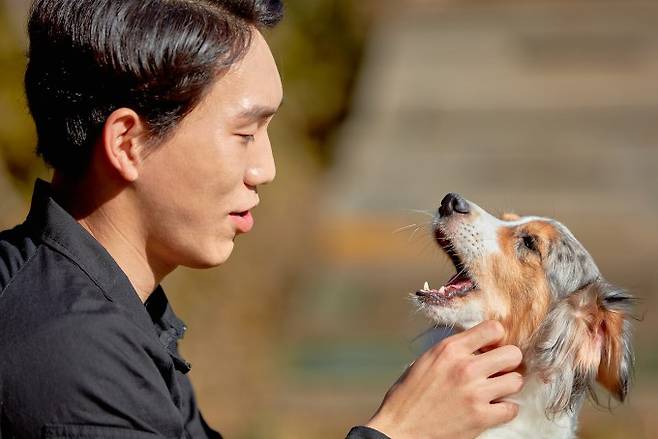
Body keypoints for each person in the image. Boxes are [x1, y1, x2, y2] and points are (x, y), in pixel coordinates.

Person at [0, 0, 523, 437]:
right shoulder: (67, 352)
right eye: (245, 134)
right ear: (128, 142)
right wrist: (401, 431)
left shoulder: (113, 312)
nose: (265, 169)